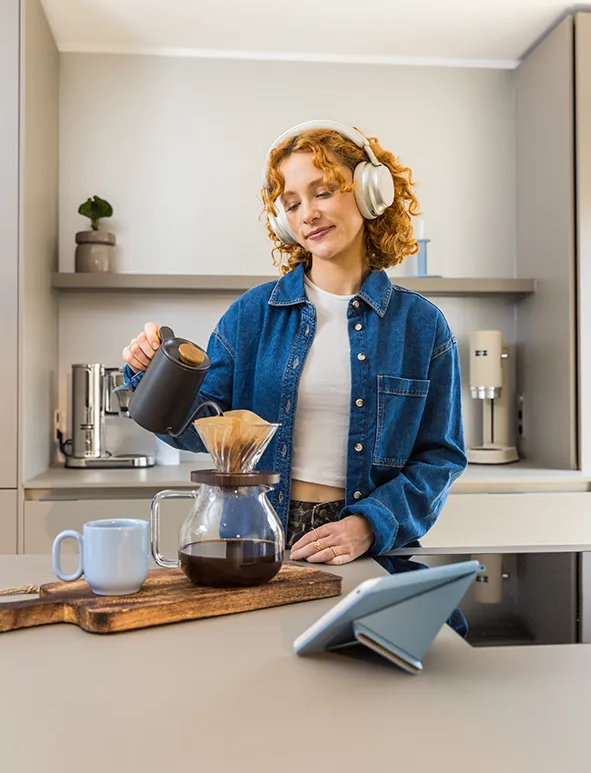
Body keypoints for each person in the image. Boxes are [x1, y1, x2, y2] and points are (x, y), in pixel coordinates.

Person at [121, 120, 467, 565]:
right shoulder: (250, 316)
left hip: (368, 545)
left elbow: (439, 458)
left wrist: (368, 525)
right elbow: (198, 429)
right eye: (292, 203)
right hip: (258, 533)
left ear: (369, 191)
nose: (308, 214)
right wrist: (151, 375)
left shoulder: (423, 326)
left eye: (323, 192)